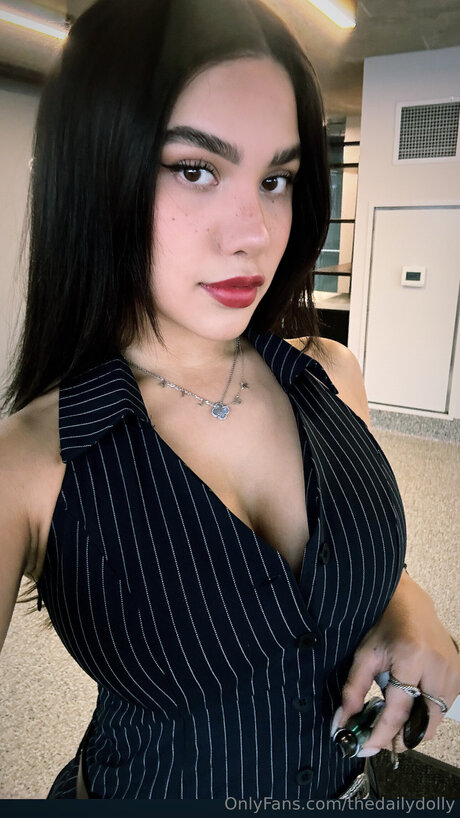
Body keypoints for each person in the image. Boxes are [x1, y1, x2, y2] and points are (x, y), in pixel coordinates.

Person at [0, 0, 458, 802]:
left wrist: (405, 599)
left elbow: (351, 564)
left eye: (275, 179)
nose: (254, 232)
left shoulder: (330, 374)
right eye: (195, 169)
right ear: (96, 173)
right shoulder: (31, 466)